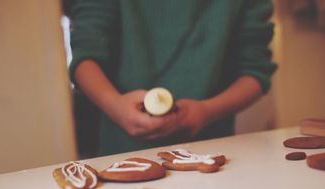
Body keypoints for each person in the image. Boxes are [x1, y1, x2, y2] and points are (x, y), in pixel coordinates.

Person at [68, 0, 277, 156]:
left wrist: (207, 111)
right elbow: (86, 57)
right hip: (122, 154)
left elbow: (255, 72)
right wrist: (114, 104)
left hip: (214, 151)